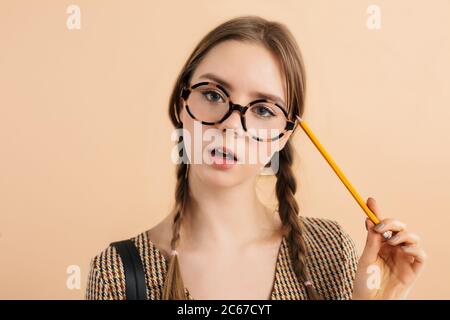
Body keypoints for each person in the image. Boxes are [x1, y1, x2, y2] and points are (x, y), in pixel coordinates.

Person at [85, 16, 426, 300]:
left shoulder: (330, 252)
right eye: (213, 94)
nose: (231, 124)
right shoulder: (116, 273)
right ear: (180, 104)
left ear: (285, 135)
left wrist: (384, 297)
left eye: (263, 109)